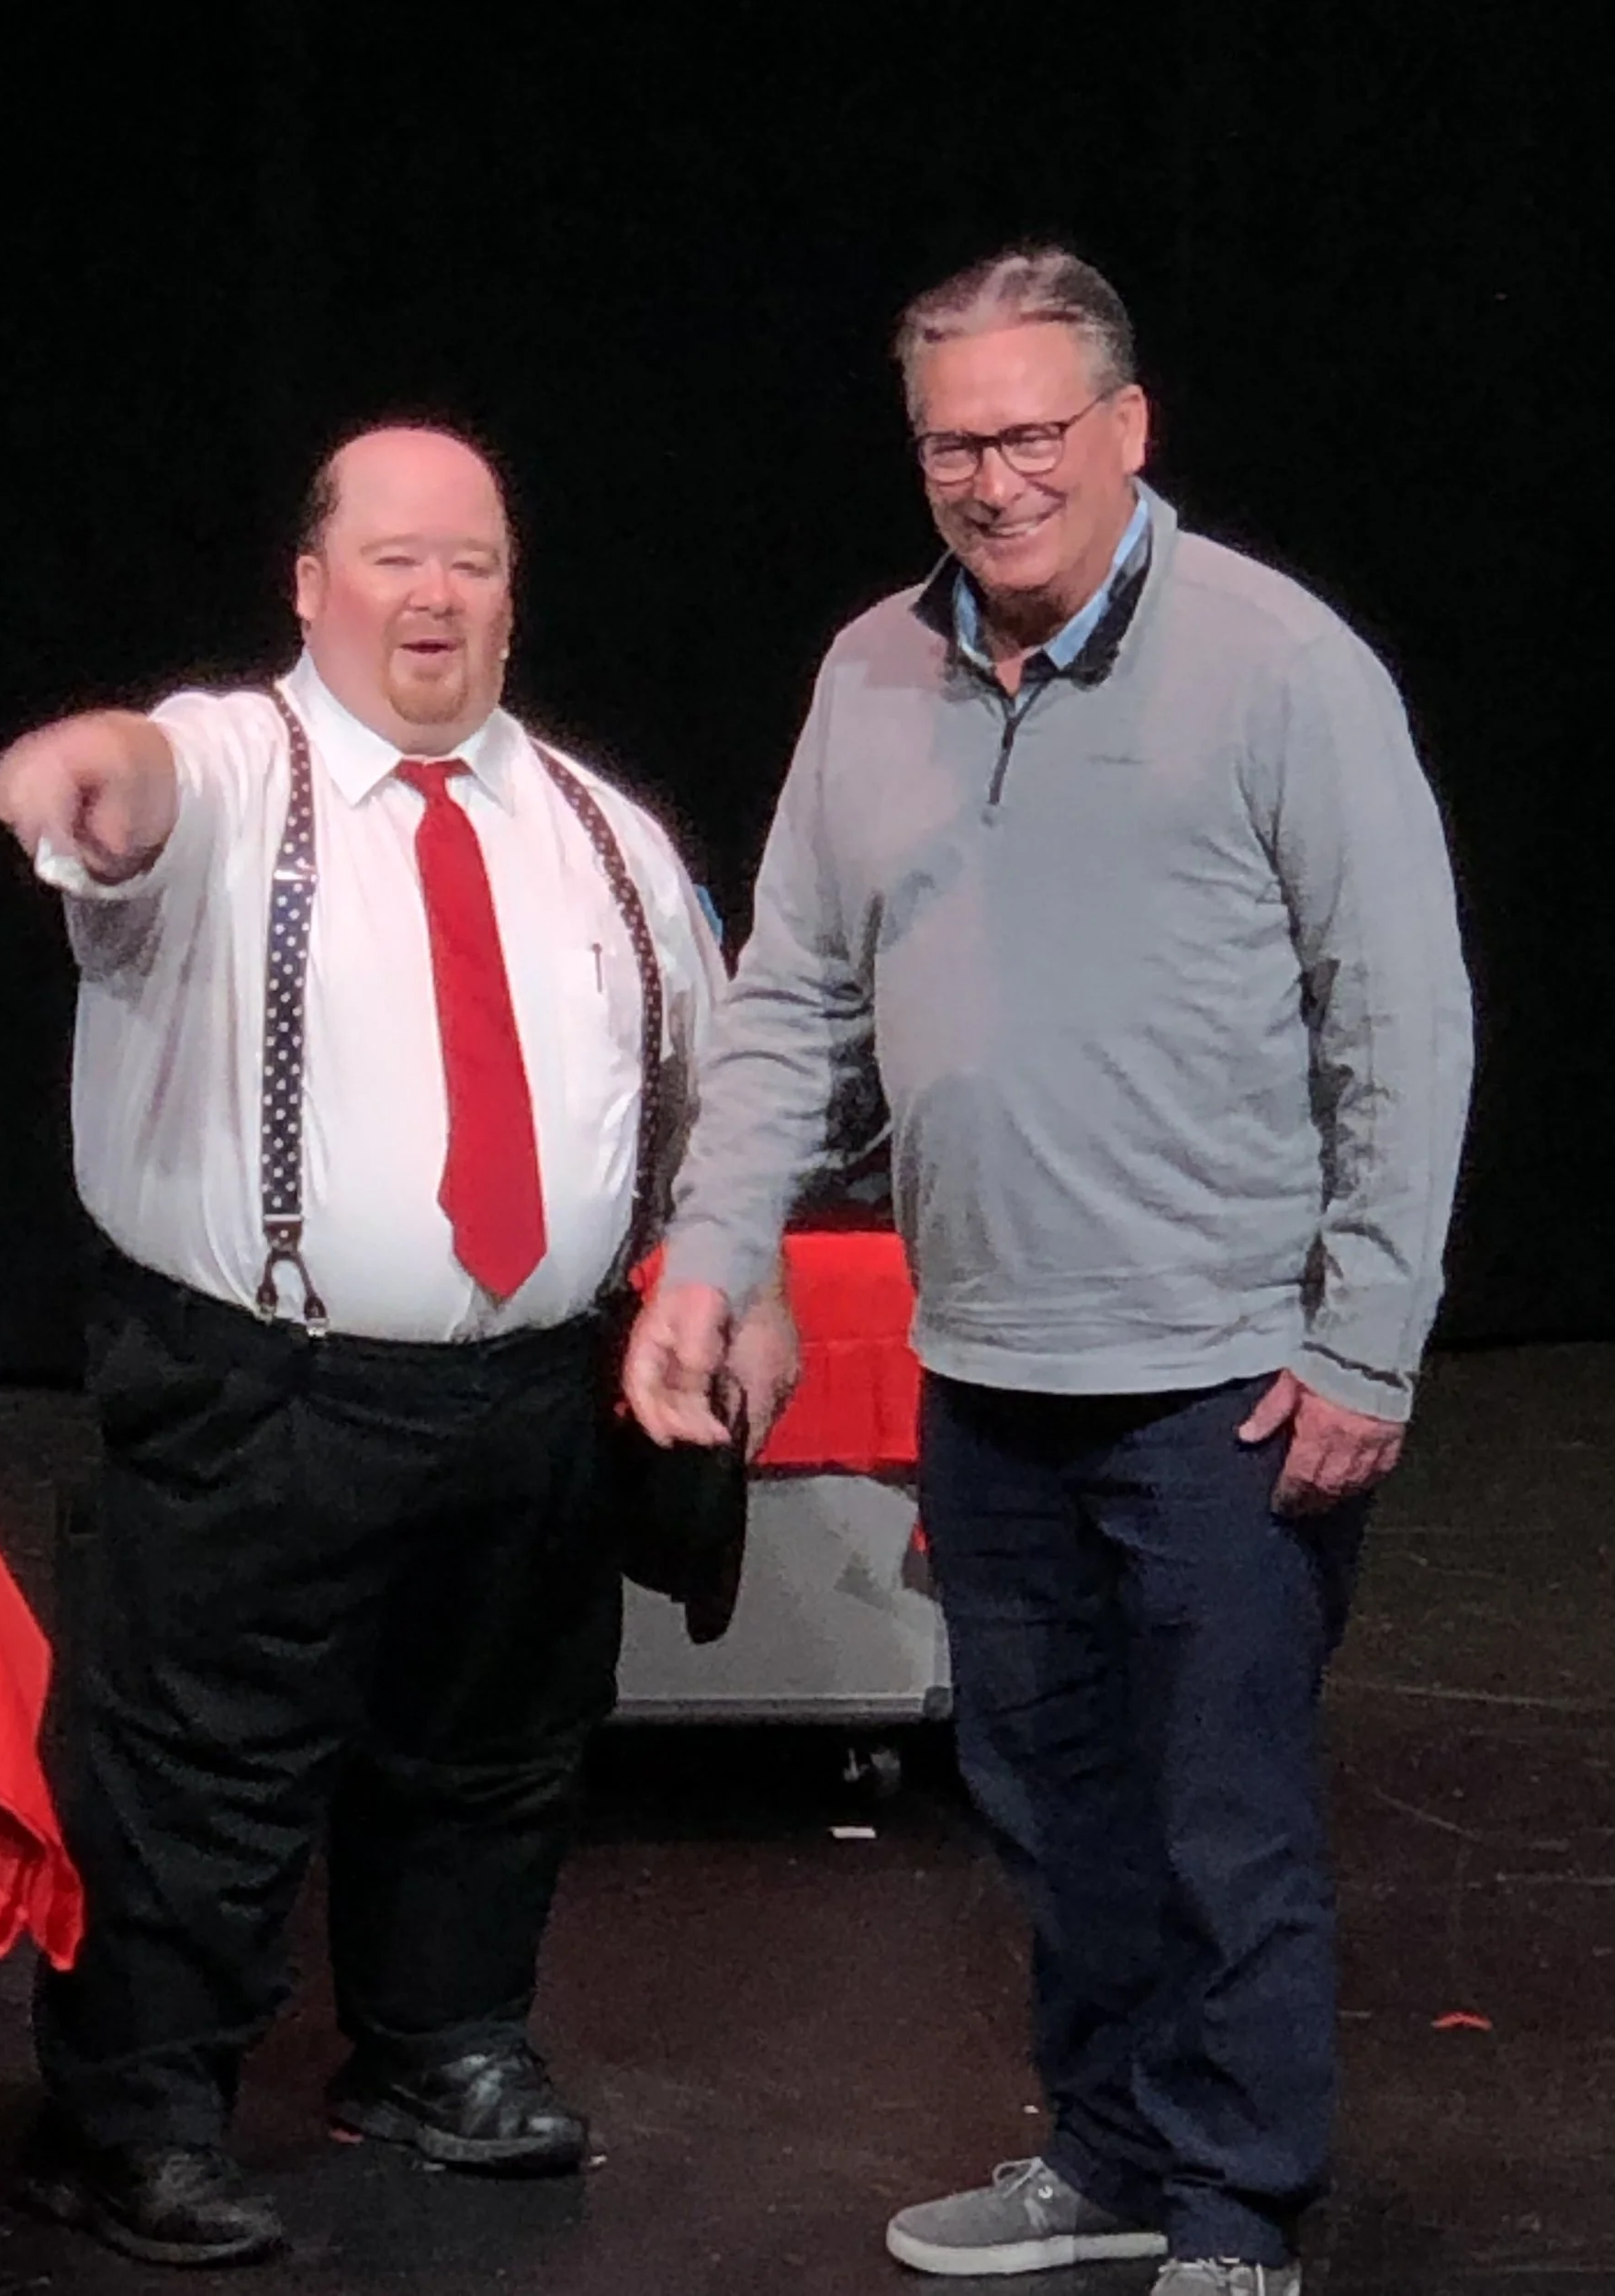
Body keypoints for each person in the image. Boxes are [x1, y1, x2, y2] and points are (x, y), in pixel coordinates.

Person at [623, 248, 1472, 2296]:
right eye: (950, 443)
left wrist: (1365, 1330)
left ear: (1123, 431)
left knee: (1218, 1821)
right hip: (982, 1362)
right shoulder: (866, 676)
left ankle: (1236, 2200)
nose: (991, 480)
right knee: (1044, 1800)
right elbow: (790, 996)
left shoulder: (1279, 666)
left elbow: (1401, 1016)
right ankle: (1102, 2150)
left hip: (1221, 1377)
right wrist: (711, 1252)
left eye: (1026, 434)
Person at [0, 423, 796, 2268]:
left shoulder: (605, 829)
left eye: (473, 564)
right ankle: (136, 2113)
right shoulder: (228, 767)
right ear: (308, 582)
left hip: (532, 1384)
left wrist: (752, 1292)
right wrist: (71, 770)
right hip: (260, 1387)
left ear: (511, 595)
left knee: (492, 1743)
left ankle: (439, 2046)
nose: (432, 597)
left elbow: (716, 1096)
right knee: (197, 1769)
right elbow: (124, 777)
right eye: (394, 558)